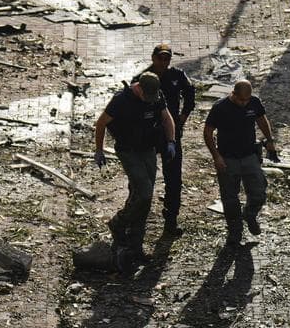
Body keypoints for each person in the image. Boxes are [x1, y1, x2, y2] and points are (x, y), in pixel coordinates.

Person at [94, 73, 177, 266]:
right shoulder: (121, 100)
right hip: (128, 151)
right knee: (145, 192)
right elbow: (101, 123)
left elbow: (166, 118)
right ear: (138, 88)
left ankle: (136, 246)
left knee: (142, 200)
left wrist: (171, 141)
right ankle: (119, 222)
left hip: (148, 149)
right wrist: (99, 150)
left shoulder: (156, 96)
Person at [203, 80, 277, 250]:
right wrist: (216, 156)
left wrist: (270, 140)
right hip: (228, 159)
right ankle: (235, 232)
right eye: (241, 100)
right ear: (233, 94)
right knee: (230, 198)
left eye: (246, 100)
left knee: (259, 191)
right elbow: (207, 132)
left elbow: (262, 119)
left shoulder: (254, 102)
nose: (244, 103)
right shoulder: (220, 108)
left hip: (250, 155)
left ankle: (250, 214)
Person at [143, 44, 195, 237]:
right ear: (153, 58)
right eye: (160, 58)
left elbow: (190, 95)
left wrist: (182, 118)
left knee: (173, 178)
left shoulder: (177, 75)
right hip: (149, 135)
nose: (163, 62)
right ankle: (137, 219)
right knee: (143, 178)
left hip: (171, 134)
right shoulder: (145, 78)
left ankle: (171, 218)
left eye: (167, 59)